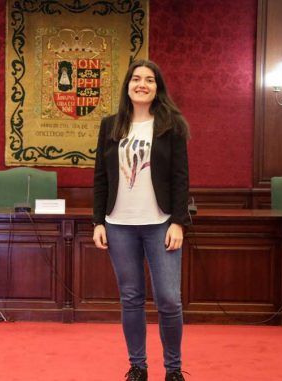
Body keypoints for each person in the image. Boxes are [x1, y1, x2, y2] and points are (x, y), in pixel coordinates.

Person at [93, 59, 190, 381]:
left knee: (169, 299)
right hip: (119, 224)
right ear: (128, 85)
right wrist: (98, 221)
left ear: (157, 88)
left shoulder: (171, 126)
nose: (142, 84)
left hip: (160, 223)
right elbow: (100, 179)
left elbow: (180, 178)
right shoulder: (110, 125)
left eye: (149, 80)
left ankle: (173, 369)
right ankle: (138, 366)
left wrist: (178, 221)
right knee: (131, 297)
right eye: (136, 79)